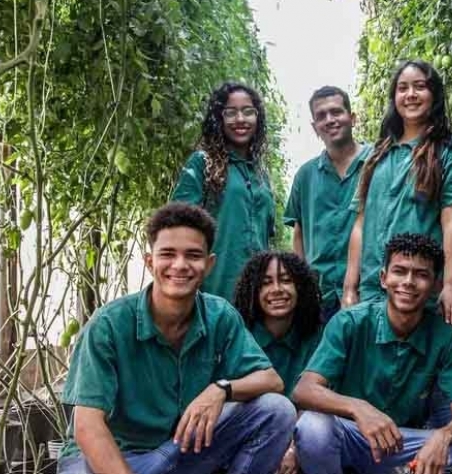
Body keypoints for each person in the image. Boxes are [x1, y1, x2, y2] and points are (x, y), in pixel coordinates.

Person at [58, 203, 295, 474]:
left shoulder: (220, 316)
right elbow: (87, 426)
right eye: (168, 254)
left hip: (177, 451)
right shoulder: (108, 325)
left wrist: (220, 389)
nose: (180, 265)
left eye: (193, 255)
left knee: (276, 410)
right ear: (150, 262)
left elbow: (271, 380)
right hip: (110, 458)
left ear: (209, 265)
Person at [292, 233, 452, 474]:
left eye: (421, 274)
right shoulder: (350, 323)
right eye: (399, 271)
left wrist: (443, 436)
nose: (408, 281)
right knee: (313, 427)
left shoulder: (446, 337)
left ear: (436, 285)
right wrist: (359, 408)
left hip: (401, 445)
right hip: (352, 436)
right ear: (384, 278)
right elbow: (304, 390)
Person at [342, 60, 452, 326]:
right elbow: (360, 224)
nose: (411, 95)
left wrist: (451, 284)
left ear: (435, 95)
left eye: (420, 87)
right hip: (374, 290)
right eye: (402, 88)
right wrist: (350, 286)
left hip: (426, 292)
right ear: (394, 98)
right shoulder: (376, 156)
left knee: (427, 363)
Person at [171, 82, 276, 302]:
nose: (240, 119)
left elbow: (266, 235)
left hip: (258, 295)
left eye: (248, 112)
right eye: (231, 112)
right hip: (215, 290)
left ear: (258, 118)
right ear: (219, 118)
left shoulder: (261, 174)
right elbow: (177, 227)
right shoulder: (202, 163)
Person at [285, 86, 372, 321]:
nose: (330, 120)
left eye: (336, 112)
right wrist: (303, 286)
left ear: (352, 118)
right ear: (315, 128)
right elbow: (299, 233)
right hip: (320, 296)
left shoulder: (378, 161)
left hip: (371, 292)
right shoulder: (305, 175)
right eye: (321, 116)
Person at [233, 251, 323, 474]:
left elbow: (315, 404)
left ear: (300, 287)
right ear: (254, 291)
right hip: (250, 439)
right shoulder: (238, 335)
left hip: (302, 439)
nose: (277, 289)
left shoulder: (317, 336)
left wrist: (293, 449)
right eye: (266, 283)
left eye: (286, 280)